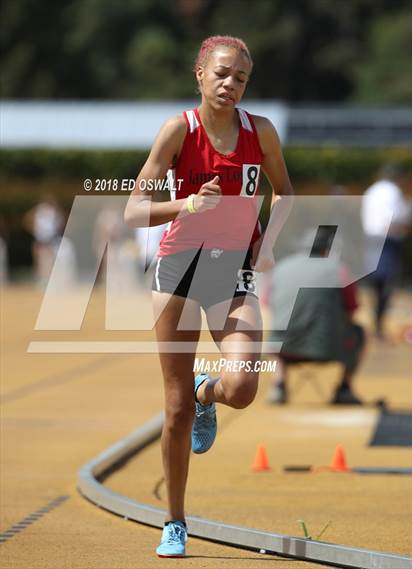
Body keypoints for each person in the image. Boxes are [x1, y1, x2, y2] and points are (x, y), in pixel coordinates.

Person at [124, 35, 293, 557]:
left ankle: (208, 392)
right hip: (178, 268)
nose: (230, 84)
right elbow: (133, 210)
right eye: (221, 73)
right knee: (173, 409)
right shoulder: (179, 130)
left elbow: (284, 191)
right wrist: (187, 204)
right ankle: (175, 521)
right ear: (199, 73)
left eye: (240, 77)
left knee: (243, 384)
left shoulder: (260, 133)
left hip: (231, 272)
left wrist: (269, 244)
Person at [267, 226, 365, 406]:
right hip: (326, 348)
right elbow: (351, 311)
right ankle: (344, 388)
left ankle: (279, 384)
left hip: (282, 347)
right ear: (327, 248)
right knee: (359, 332)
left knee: (275, 332)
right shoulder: (339, 270)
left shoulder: (281, 267)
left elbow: (268, 303)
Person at [361, 164, 412, 339]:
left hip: (371, 238)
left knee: (375, 282)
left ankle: (375, 322)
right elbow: (397, 218)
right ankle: (378, 325)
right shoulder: (394, 191)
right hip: (389, 239)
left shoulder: (371, 190)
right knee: (386, 283)